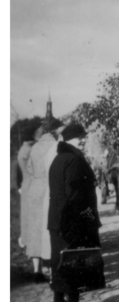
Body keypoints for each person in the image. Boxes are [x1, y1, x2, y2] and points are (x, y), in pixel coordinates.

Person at [48, 123, 102, 302]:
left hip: (56, 219)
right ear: (70, 139)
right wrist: (89, 218)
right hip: (72, 220)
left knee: (58, 261)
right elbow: (76, 197)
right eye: (80, 137)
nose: (83, 140)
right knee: (74, 262)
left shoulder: (57, 160)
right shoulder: (75, 160)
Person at [25, 118, 64, 282]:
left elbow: (29, 168)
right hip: (50, 188)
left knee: (34, 229)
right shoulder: (55, 146)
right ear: (54, 131)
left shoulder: (34, 147)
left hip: (35, 189)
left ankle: (36, 270)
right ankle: (53, 268)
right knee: (52, 227)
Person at [17, 126, 43, 250]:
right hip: (31, 183)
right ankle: (30, 242)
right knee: (31, 215)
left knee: (27, 214)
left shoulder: (23, 148)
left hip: (26, 183)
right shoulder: (29, 150)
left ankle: (26, 240)